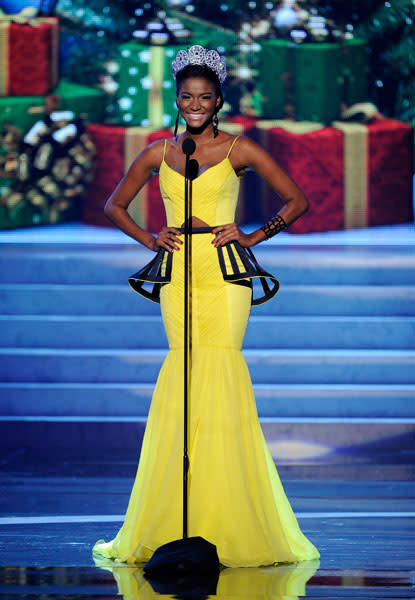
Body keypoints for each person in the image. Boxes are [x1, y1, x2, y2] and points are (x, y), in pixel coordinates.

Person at [92, 45, 320, 568]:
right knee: (185, 377)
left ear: (218, 100)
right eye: (187, 97)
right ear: (177, 100)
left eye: (205, 97)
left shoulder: (240, 149)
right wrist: (151, 241)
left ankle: (227, 519)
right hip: (178, 276)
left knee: (219, 371)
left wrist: (254, 235)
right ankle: (175, 520)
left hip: (224, 275)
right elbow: (113, 205)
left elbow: (298, 201)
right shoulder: (158, 153)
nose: (195, 105)